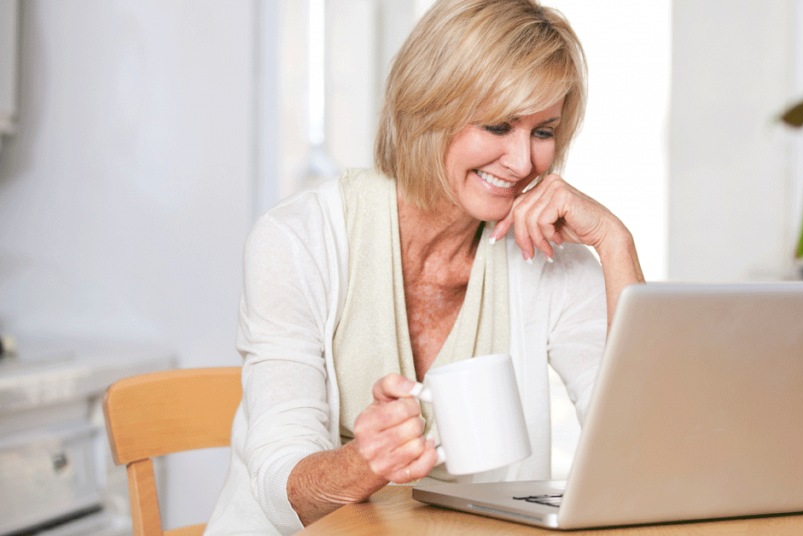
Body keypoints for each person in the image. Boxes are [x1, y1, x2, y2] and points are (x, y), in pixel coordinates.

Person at [204, 0, 644, 534]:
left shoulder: (553, 263)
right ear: (427, 106)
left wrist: (615, 243)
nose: (524, 161)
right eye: (499, 124)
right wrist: (365, 463)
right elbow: (279, 493)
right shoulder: (297, 241)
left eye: (543, 132)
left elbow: (643, 451)